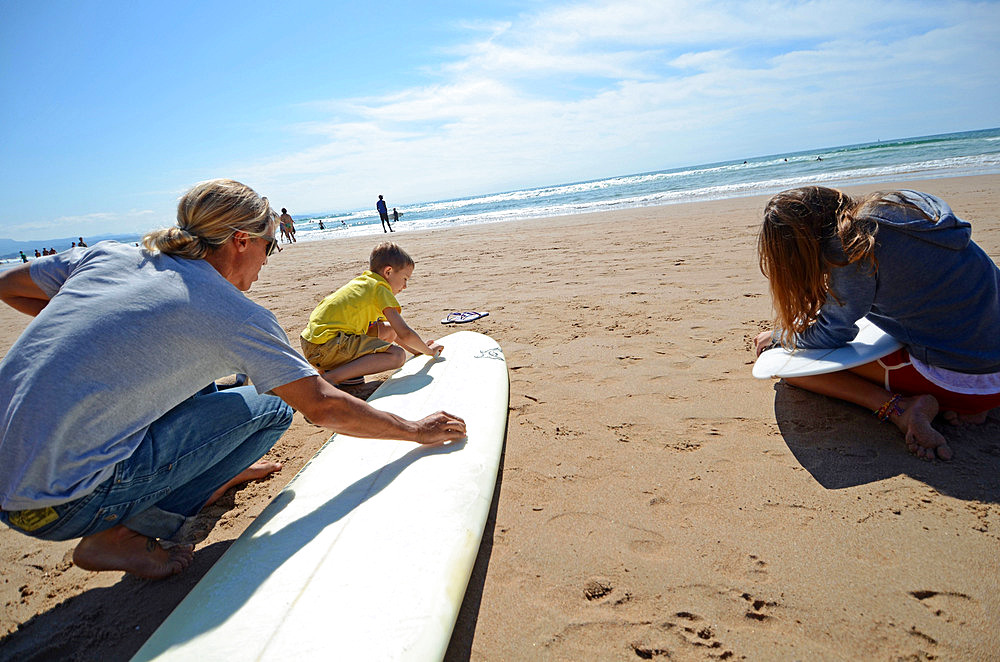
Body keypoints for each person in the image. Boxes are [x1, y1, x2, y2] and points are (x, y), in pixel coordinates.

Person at [0, 179, 465, 580]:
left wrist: (104, 340)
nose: (269, 259)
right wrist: (413, 430)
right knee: (274, 409)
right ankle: (126, 533)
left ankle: (214, 468)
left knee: (184, 364)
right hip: (61, 502)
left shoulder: (110, 256)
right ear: (242, 240)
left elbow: (7, 284)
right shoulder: (229, 311)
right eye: (270, 245)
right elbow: (321, 405)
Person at [754, 186, 1000, 461]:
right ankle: (971, 404)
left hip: (972, 381)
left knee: (793, 370)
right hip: (990, 355)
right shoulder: (896, 207)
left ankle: (901, 409)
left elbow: (832, 333)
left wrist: (780, 338)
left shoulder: (850, 248)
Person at [300, 242, 440, 386]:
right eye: (405, 279)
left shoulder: (366, 283)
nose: (405, 286)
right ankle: (330, 379)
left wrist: (419, 350)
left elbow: (395, 332)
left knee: (388, 329)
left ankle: (330, 371)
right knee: (397, 356)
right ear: (388, 272)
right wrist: (429, 351)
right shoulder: (381, 289)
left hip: (314, 343)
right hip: (326, 347)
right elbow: (405, 333)